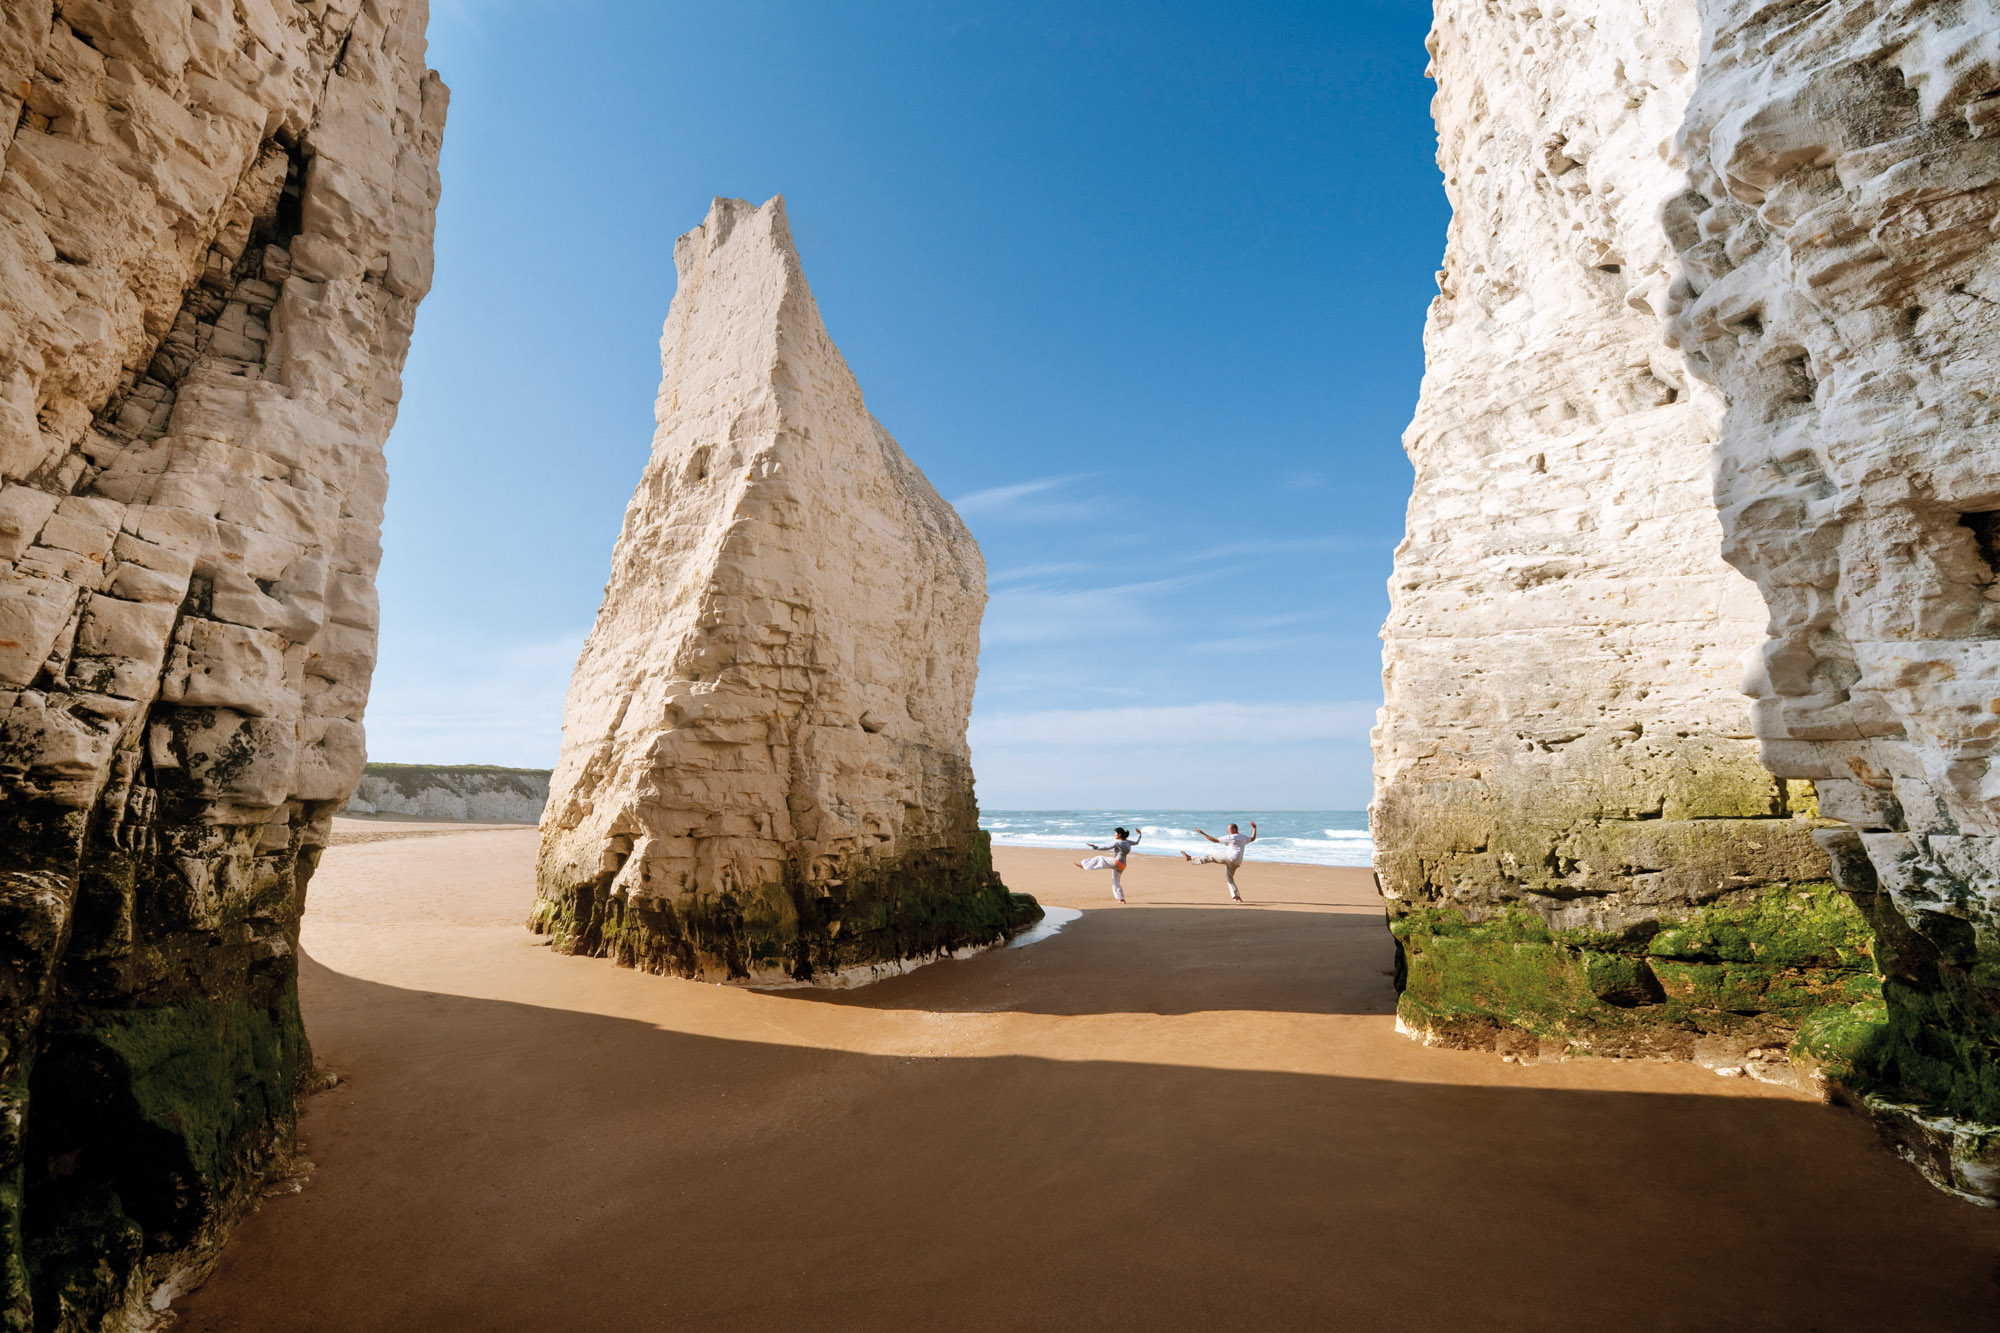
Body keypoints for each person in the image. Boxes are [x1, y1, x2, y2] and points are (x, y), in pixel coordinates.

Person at [1181, 820, 1256, 902]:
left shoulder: (1230, 837)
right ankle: (1236, 897)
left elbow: (1214, 840)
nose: (1227, 831)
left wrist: (1202, 833)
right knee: (1229, 878)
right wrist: (1254, 828)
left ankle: (1191, 858)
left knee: (1211, 856)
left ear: (1234, 830)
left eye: (1229, 829)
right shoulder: (1243, 837)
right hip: (1237, 862)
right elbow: (1252, 838)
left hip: (1229, 858)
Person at [1077, 826, 1142, 902]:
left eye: (1115, 833)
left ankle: (1084, 865)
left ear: (1119, 834)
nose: (1114, 835)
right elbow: (1137, 842)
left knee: (1100, 858)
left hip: (1117, 862)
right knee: (1116, 882)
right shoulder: (1128, 842)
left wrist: (1095, 847)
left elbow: (1105, 847)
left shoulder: (1118, 842)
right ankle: (1121, 899)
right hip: (1123, 865)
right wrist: (1139, 835)